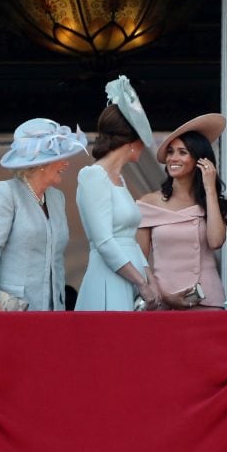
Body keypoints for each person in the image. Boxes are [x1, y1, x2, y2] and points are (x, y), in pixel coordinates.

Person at [0, 118, 88, 311]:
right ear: (42, 163)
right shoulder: (6, 192)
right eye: (61, 157)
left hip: (52, 309)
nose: (67, 164)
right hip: (13, 309)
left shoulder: (57, 198)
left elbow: (56, 259)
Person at [74, 75, 161, 311]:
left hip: (130, 276)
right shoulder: (92, 175)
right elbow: (104, 241)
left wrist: (149, 278)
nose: (145, 147)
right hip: (107, 277)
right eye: (142, 140)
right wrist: (140, 281)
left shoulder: (120, 178)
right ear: (131, 142)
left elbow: (129, 240)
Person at [136, 114, 227, 310]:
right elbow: (139, 260)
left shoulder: (212, 202)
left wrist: (210, 188)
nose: (173, 158)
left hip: (207, 301)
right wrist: (162, 294)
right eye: (170, 152)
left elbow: (216, 241)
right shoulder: (149, 203)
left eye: (182, 152)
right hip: (163, 301)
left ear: (199, 160)